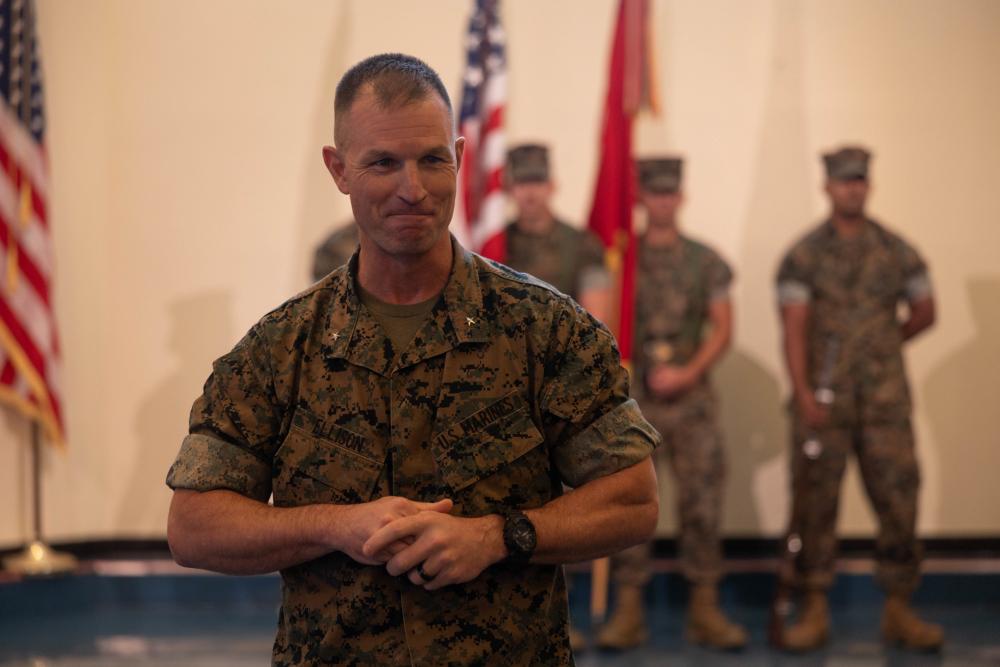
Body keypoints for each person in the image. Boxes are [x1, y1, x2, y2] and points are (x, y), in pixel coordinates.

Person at [165, 53, 660, 666]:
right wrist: (333, 526)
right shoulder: (280, 349)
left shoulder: (546, 329)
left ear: (459, 156)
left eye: (432, 160)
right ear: (338, 169)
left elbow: (634, 501)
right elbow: (193, 526)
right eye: (383, 163)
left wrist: (499, 536)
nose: (412, 189)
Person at [774, 146, 943, 651]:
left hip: (885, 405)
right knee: (816, 505)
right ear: (827, 187)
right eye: (843, 181)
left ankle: (898, 610)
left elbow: (925, 309)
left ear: (869, 186)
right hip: (824, 404)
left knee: (899, 499)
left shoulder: (897, 249)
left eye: (860, 181)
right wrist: (803, 392)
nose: (852, 188)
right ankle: (815, 608)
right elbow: (794, 329)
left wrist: (882, 347)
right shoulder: (804, 255)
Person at [595, 157, 748, 651]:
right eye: (653, 193)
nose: (662, 201)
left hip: (693, 403)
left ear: (680, 198)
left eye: (670, 194)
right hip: (632, 404)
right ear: (641, 198)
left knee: (703, 504)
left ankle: (705, 608)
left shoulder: (706, 261)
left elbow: (723, 327)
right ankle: (629, 610)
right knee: (627, 507)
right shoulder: (620, 259)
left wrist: (689, 372)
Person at [500, 144, 610, 316]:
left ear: (552, 186)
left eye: (537, 182)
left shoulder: (583, 244)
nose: (530, 192)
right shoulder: (497, 244)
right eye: (522, 183)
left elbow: (595, 322)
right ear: (509, 190)